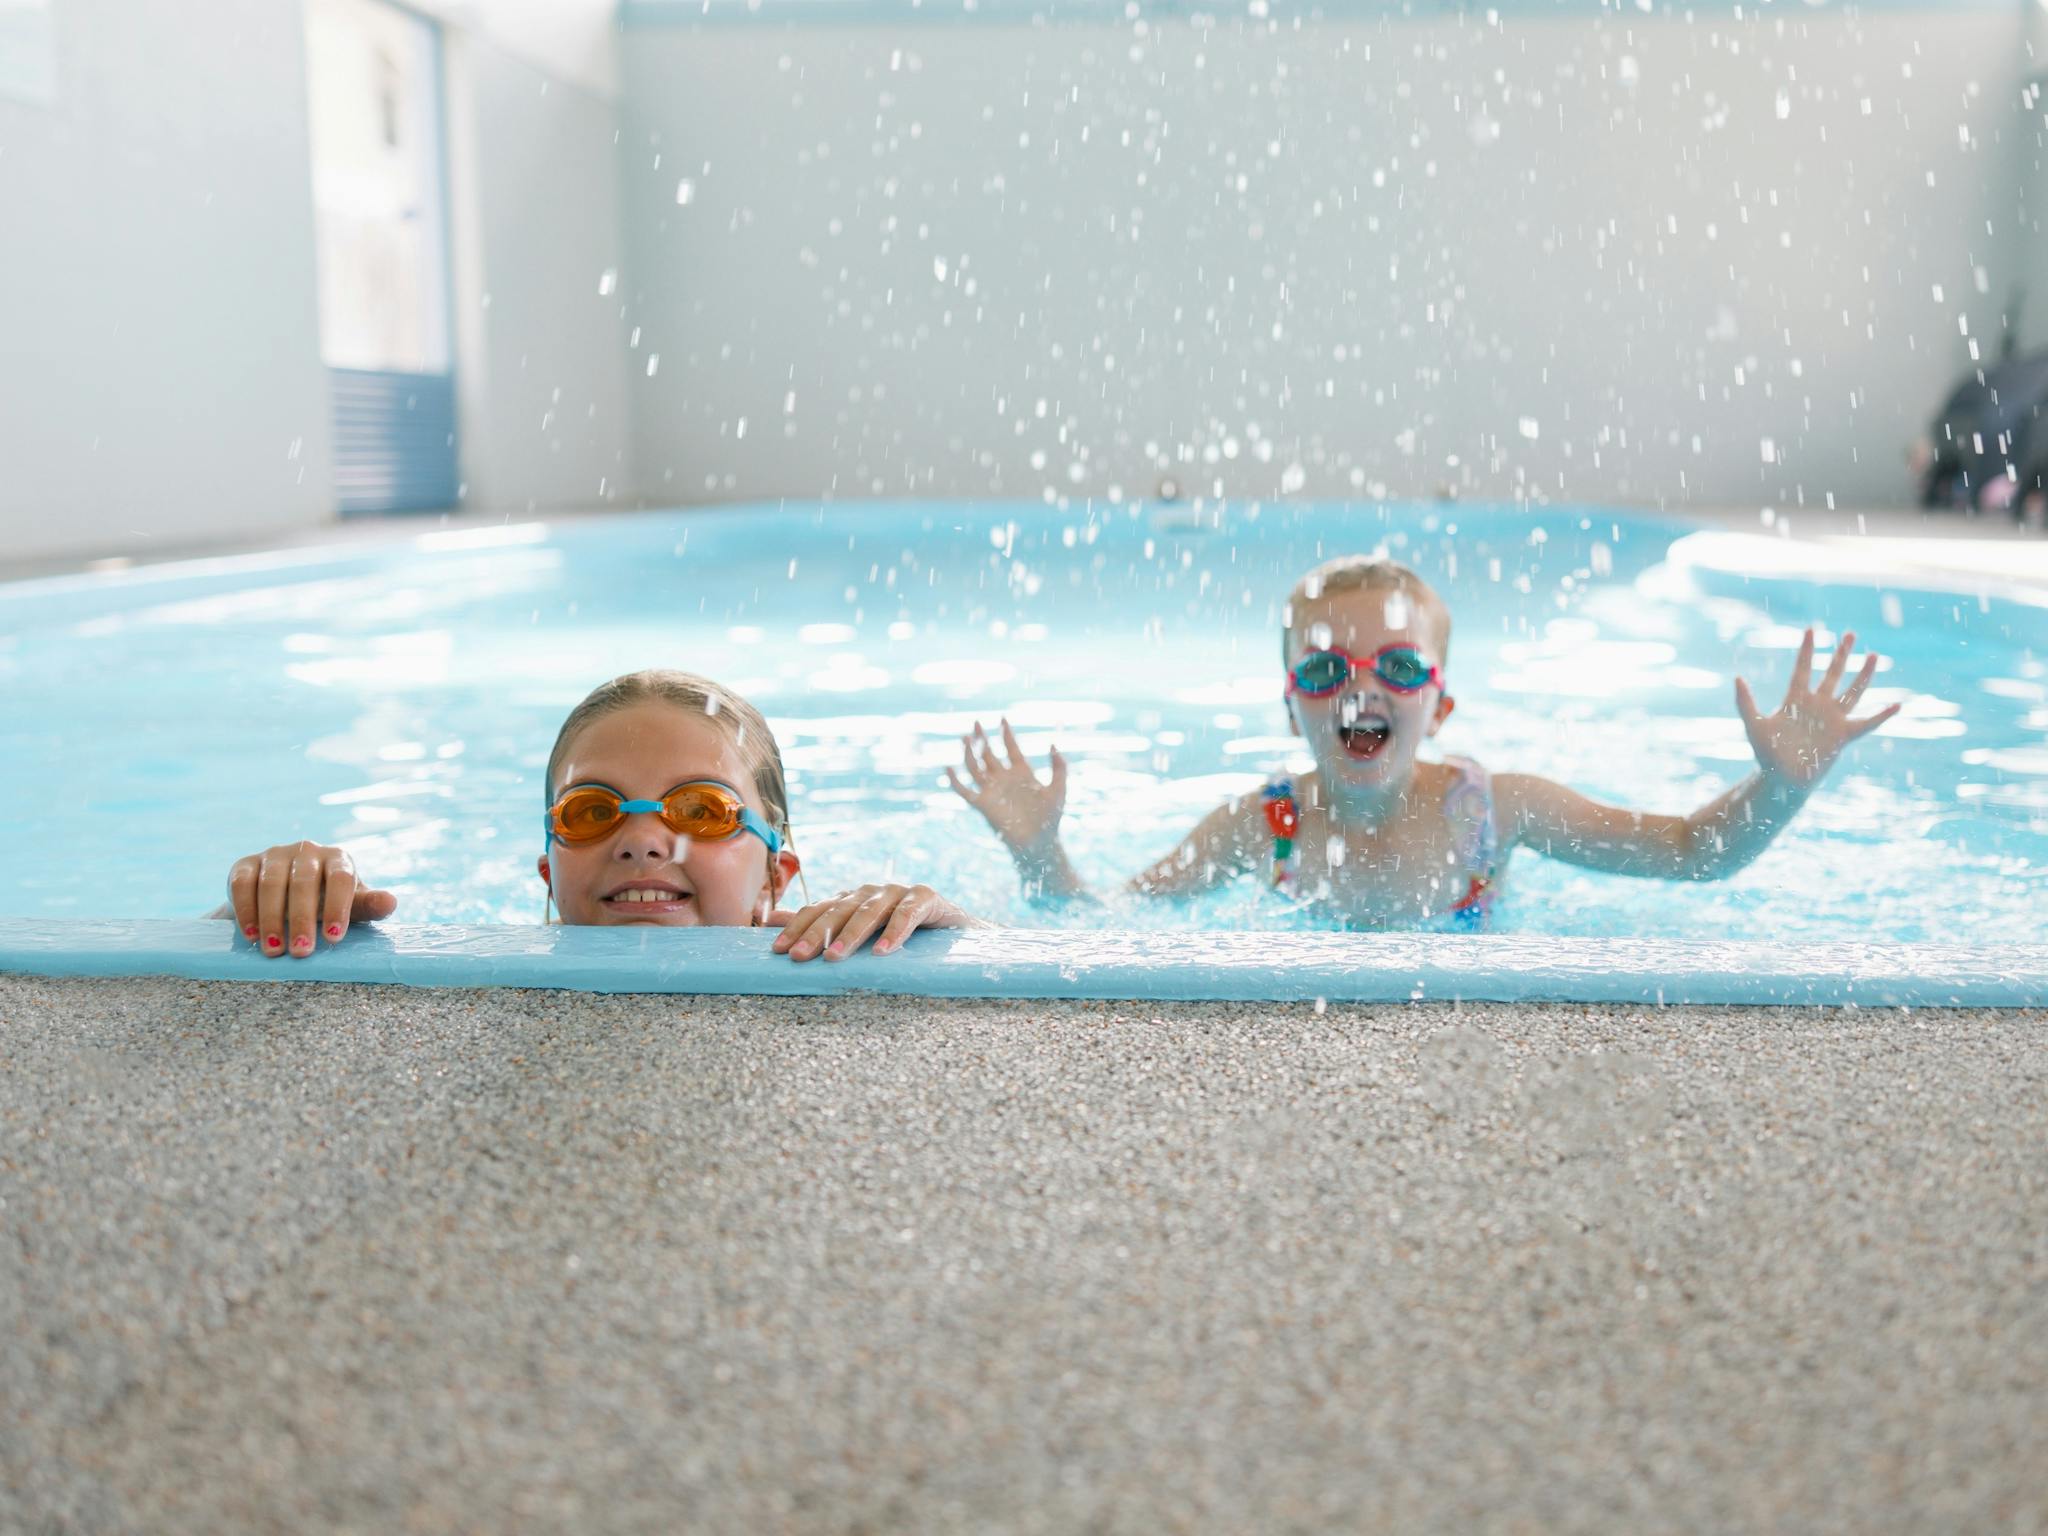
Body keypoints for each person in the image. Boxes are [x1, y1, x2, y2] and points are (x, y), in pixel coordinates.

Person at [950, 554, 1901, 929]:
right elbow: (1105, 921)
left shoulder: (1498, 809)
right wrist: (1041, 855)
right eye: (1325, 672)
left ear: (1439, 707)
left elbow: (1693, 855)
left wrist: (1781, 788)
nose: (1361, 688)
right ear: (1293, 711)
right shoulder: (1260, 825)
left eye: (1397, 669)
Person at [219, 668, 981, 961]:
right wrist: (270, 901)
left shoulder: (841, 942)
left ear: (775, 881)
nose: (643, 840)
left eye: (702, 809)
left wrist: (949, 926)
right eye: (591, 812)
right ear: (550, 872)